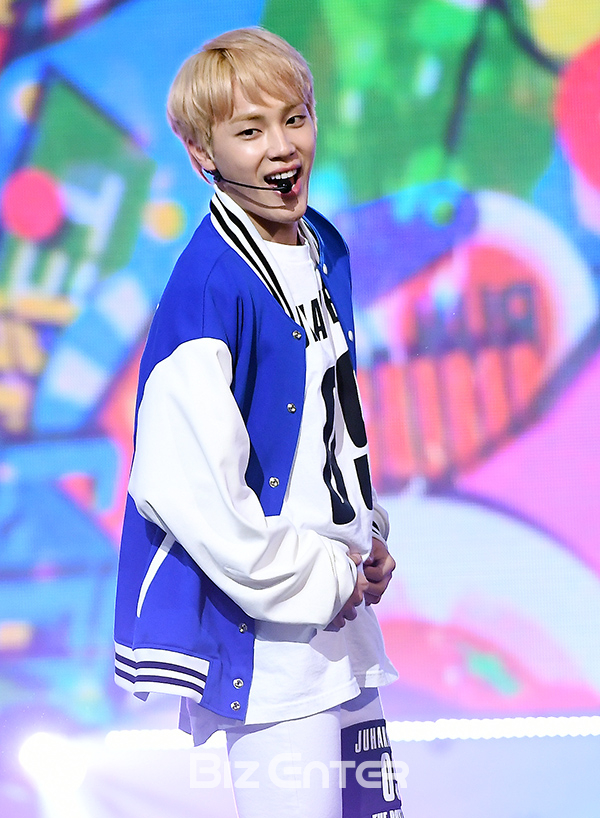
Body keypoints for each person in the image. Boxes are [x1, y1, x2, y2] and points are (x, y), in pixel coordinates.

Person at [114, 26, 403, 818]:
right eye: (249, 131)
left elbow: (326, 430)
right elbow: (190, 493)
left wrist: (367, 534)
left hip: (340, 629)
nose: (282, 146)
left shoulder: (321, 247)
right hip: (272, 653)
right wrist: (327, 576)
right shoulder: (211, 286)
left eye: (295, 118)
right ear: (201, 154)